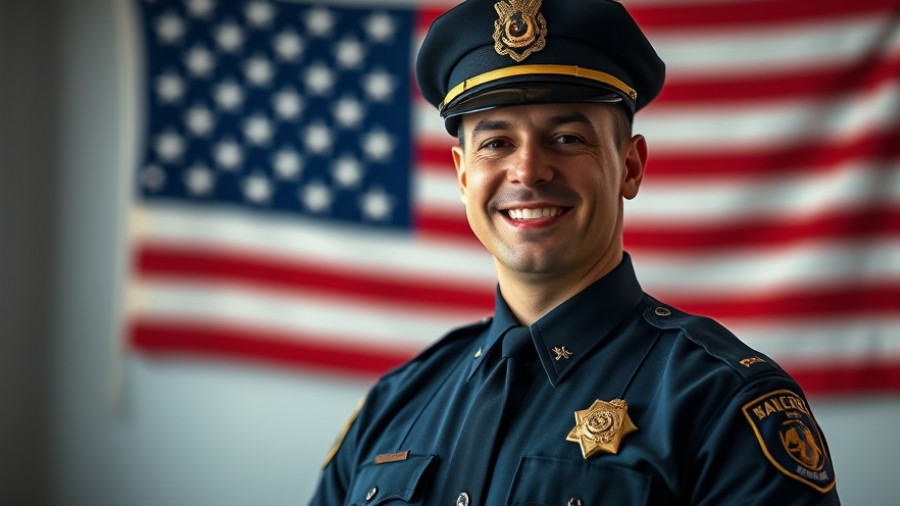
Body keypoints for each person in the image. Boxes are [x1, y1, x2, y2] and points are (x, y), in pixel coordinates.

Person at [310, 0, 840, 504]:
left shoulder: (723, 402)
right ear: (463, 174)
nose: (527, 170)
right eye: (496, 143)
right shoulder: (395, 404)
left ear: (630, 167)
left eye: (566, 138)